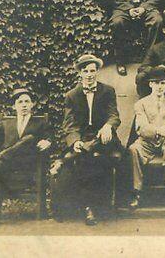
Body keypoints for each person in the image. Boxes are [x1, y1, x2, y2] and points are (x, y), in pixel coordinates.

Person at [0, 88, 52, 227]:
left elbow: (50, 137)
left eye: (27, 101)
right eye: (20, 102)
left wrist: (47, 141)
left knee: (29, 139)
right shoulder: (6, 123)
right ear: (14, 106)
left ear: (32, 104)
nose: (23, 105)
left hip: (29, 163)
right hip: (7, 165)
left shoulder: (40, 123)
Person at [61, 54, 122, 226]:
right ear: (80, 73)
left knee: (95, 153)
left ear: (97, 72)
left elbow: (114, 115)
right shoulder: (72, 95)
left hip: (105, 137)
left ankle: (96, 206)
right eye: (85, 71)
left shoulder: (107, 91)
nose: (89, 74)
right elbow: (69, 124)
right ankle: (90, 207)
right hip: (83, 138)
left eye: (92, 71)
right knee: (88, 160)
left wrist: (108, 126)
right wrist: (75, 141)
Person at [128, 66, 165, 208]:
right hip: (148, 140)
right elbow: (141, 127)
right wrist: (159, 130)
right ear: (150, 84)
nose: (159, 87)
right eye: (156, 83)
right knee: (133, 149)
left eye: (162, 83)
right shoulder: (141, 104)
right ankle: (137, 192)